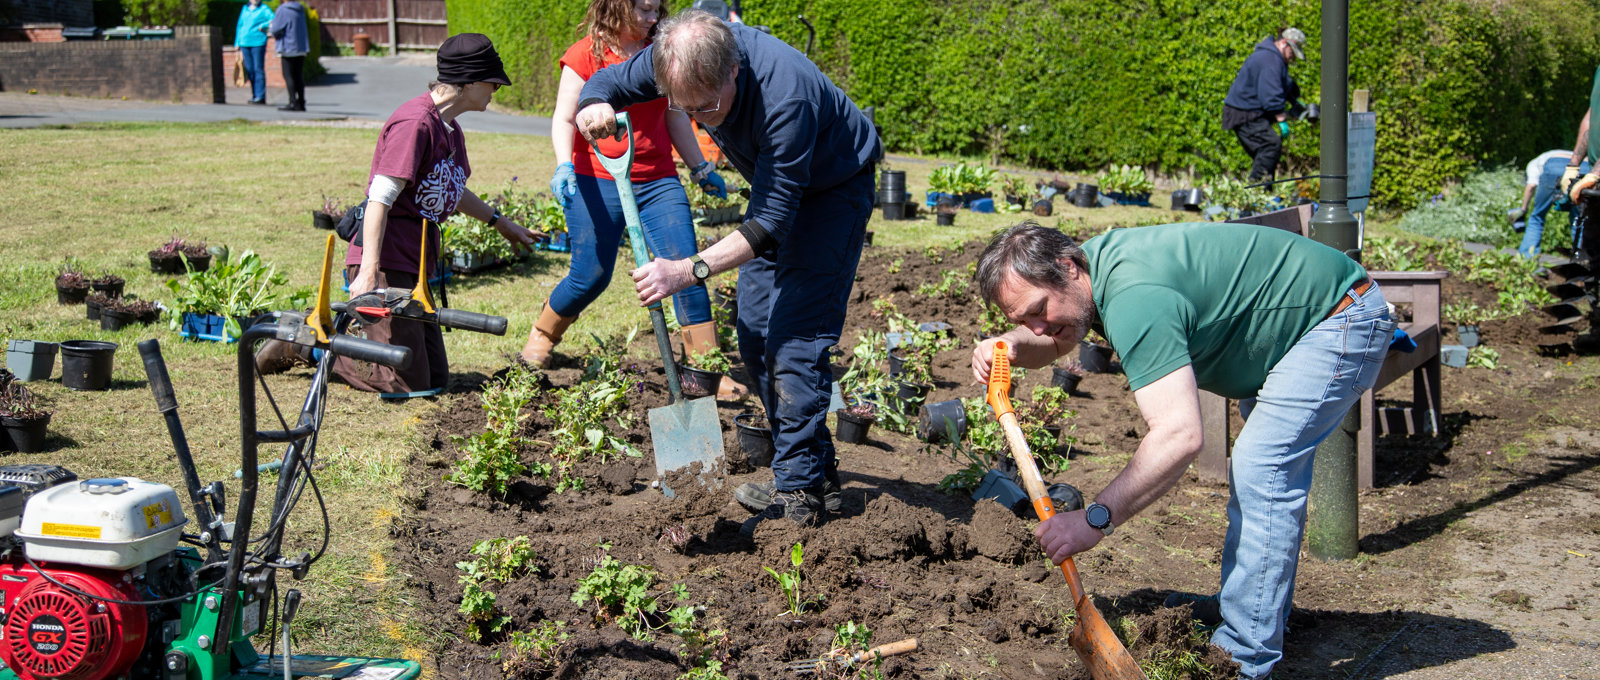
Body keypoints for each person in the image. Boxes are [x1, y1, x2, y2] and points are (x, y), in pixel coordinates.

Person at [970, 221, 1395, 680]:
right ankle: (1248, 607)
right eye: (1021, 321)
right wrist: (1012, 345)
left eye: (1037, 310)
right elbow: (1058, 336)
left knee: (1261, 468)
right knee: (1262, 472)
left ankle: (1242, 657)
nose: (1037, 326)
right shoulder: (1089, 276)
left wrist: (1094, 519)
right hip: (1291, 327)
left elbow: (1180, 435)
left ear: (1067, 268)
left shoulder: (1134, 295)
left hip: (1335, 319)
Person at [575, 9, 881, 529]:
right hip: (773, 191)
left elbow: (770, 225)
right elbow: (604, 80)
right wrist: (593, 104)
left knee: (795, 340)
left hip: (832, 194)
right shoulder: (678, 55)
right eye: (685, 107)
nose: (702, 118)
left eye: (709, 105)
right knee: (756, 330)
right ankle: (815, 469)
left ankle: (799, 495)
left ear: (734, 69)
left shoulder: (788, 95)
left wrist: (689, 270)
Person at [256, 33, 538, 396]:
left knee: (434, 379)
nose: (497, 88)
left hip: (415, 263)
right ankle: (305, 342)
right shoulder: (414, 124)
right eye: (492, 81)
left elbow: (451, 189)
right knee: (404, 383)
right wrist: (370, 270)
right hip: (387, 260)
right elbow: (379, 199)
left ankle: (335, 343)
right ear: (468, 81)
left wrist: (501, 224)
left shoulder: (449, 128)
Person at [522, 0, 742, 399]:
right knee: (591, 275)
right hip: (596, 177)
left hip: (658, 180)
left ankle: (704, 368)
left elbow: (674, 114)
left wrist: (699, 167)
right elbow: (565, 117)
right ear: (616, 7)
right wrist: (562, 165)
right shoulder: (584, 55)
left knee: (687, 268)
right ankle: (542, 334)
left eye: (657, 9)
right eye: (643, 10)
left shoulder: (664, 51)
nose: (653, 18)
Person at [1222, 27, 1307, 182]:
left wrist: (1295, 99)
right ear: (1284, 43)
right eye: (1292, 52)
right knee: (1270, 146)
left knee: (1268, 154)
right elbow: (1270, 94)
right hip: (1244, 112)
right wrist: (1282, 120)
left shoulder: (1274, 58)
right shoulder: (1269, 59)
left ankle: (1264, 191)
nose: (1293, 57)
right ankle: (1256, 190)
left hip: (1251, 112)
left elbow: (1284, 84)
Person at [1513, 149, 1587, 258]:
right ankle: (1584, 259)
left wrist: (1523, 209)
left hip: (1554, 168)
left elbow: (1531, 186)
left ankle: (1527, 260)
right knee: (1579, 219)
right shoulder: (1568, 152)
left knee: (1537, 217)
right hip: (1582, 167)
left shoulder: (1532, 164)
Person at [268, 0, 310, 112]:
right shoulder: (301, 9)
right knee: (298, 76)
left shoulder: (283, 9)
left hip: (287, 47)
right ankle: (301, 102)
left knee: (288, 75)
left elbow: (276, 29)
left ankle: (293, 102)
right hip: (300, 47)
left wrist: (270, 27)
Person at [234, 0, 274, 105]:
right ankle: (255, 95)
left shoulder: (264, 9)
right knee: (250, 69)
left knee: (258, 69)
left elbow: (273, 20)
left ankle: (260, 96)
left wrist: (263, 26)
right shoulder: (245, 8)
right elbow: (240, 26)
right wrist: (237, 43)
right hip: (244, 43)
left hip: (258, 42)